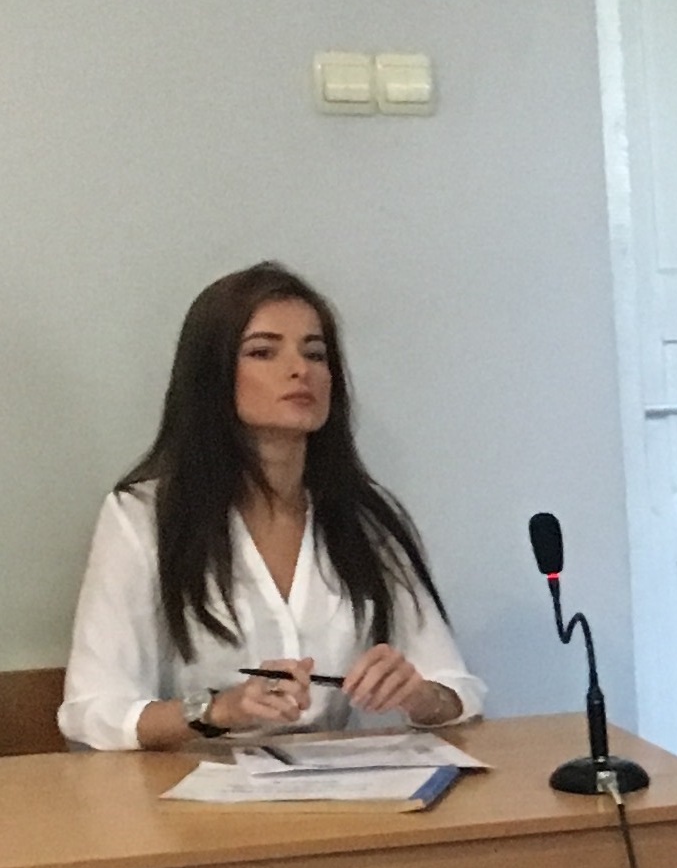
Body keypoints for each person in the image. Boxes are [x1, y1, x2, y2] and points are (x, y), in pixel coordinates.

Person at [62, 262, 482, 751]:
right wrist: (218, 710)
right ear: (213, 375)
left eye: (315, 353)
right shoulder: (143, 516)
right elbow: (92, 710)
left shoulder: (366, 518)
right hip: (197, 786)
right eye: (263, 351)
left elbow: (457, 688)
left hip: (342, 782)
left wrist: (420, 696)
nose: (299, 369)